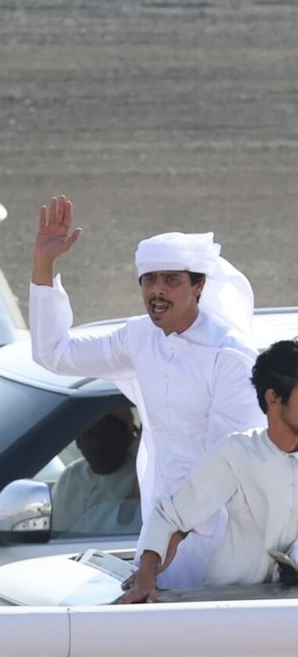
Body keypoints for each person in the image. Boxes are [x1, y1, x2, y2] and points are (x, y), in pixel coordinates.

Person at [29, 196, 262, 590]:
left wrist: (155, 558)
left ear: (199, 285)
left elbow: (223, 470)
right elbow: (55, 353)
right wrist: (42, 266)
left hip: (223, 542)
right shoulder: (140, 337)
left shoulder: (231, 356)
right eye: (150, 280)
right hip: (161, 537)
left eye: (171, 280)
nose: (158, 291)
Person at [122, 339, 298, 601]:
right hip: (230, 608)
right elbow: (171, 518)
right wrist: (145, 580)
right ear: (273, 398)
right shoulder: (237, 453)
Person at [51, 407, 141, 537]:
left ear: (129, 436)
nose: (96, 443)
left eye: (107, 432)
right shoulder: (71, 476)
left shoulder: (140, 479)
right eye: (89, 433)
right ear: (77, 441)